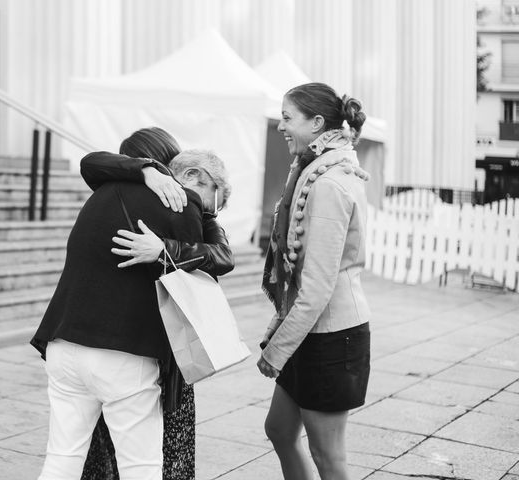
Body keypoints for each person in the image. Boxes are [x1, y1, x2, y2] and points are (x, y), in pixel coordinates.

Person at [31, 144, 231, 480]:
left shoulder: (105, 189)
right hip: (125, 354)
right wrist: (200, 214)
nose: (211, 211)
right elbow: (216, 262)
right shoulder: (183, 206)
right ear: (194, 176)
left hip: (63, 342)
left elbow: (92, 161)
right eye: (215, 199)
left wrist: (145, 170)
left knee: (62, 457)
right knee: (140, 467)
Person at [258, 82, 371, 480]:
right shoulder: (316, 171)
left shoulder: (326, 184)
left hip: (331, 336)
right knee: (280, 430)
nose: (280, 126)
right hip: (311, 330)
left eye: (287, 117)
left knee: (329, 456)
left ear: (318, 122)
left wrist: (276, 351)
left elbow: (319, 287)